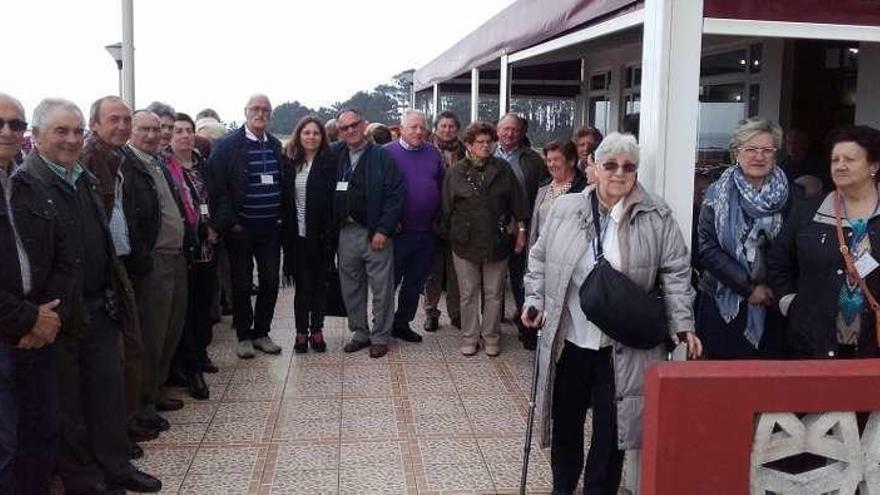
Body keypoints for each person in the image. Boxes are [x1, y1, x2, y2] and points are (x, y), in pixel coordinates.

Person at [521, 132, 701, 494]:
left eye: (629, 166)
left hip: (623, 345)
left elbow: (677, 272)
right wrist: (534, 300)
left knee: (611, 430)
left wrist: (683, 323)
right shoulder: (566, 209)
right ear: (593, 167)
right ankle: (563, 486)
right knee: (566, 423)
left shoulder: (656, 214)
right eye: (610, 165)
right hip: (569, 338)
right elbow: (539, 259)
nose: (620, 173)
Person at [23, 98, 161, 494]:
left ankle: (116, 466)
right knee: (70, 405)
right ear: (37, 137)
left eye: (75, 130)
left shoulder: (80, 176)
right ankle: (83, 479)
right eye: (59, 131)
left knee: (107, 392)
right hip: (60, 313)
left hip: (99, 304)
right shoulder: (28, 183)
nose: (69, 140)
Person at [0, 92, 70, 494]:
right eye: (1, 123)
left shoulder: (27, 183)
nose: (9, 132)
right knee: (4, 446)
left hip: (40, 328)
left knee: (38, 435)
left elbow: (63, 252)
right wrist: (28, 319)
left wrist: (46, 315)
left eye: (16, 124)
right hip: (12, 329)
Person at [769, 125, 880, 359]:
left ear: (873, 166)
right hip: (813, 342)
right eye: (835, 159)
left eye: (850, 159)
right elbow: (779, 261)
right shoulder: (807, 213)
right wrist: (791, 304)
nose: (840, 165)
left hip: (872, 344)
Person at [79, 96, 153, 445]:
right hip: (101, 270)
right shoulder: (87, 158)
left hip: (123, 261)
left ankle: (129, 418)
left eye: (126, 119)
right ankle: (116, 431)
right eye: (114, 119)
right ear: (94, 124)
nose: (122, 126)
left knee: (132, 346)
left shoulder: (119, 157)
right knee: (115, 355)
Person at [696, 118, 791, 360]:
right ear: (736, 153)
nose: (758, 156)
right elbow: (707, 249)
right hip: (723, 301)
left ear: (775, 154)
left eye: (766, 150)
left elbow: (795, 249)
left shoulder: (792, 196)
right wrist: (749, 288)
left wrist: (772, 288)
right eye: (750, 149)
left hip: (774, 303)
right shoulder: (715, 195)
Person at [126, 109, 193, 432]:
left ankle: (156, 390)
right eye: (146, 129)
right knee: (151, 334)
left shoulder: (157, 162)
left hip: (175, 257)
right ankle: (141, 405)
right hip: (153, 261)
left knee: (170, 329)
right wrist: (142, 258)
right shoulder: (129, 164)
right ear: (131, 130)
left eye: (158, 129)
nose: (154, 135)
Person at [210, 94, 285, 358]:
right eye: (255, 108)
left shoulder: (276, 146)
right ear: (245, 112)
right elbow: (218, 187)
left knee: (270, 282)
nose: (260, 113)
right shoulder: (227, 146)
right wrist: (232, 222)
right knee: (241, 284)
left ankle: (262, 332)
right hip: (240, 230)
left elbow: (282, 184)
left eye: (265, 109)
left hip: (270, 230)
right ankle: (244, 334)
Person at [443, 121, 528, 356]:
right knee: (469, 292)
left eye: (489, 141)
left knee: (494, 292)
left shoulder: (503, 169)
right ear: (468, 145)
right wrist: (449, 236)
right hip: (464, 242)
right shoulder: (455, 172)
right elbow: (446, 209)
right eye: (479, 142)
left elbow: (518, 204)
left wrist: (520, 232)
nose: (485, 145)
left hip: (497, 240)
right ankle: (470, 336)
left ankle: (491, 336)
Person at [333, 108, 405, 359]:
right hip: (345, 232)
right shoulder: (335, 154)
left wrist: (383, 230)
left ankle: (380, 336)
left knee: (382, 288)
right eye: (345, 128)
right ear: (339, 132)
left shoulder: (381, 156)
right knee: (350, 286)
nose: (350, 131)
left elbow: (396, 196)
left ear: (364, 124)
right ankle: (360, 332)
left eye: (354, 125)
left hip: (375, 233)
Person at [167, 112, 215, 399]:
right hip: (183, 248)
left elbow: (216, 196)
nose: (184, 135)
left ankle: (201, 352)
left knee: (203, 304)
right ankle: (190, 367)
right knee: (184, 309)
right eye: (178, 130)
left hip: (209, 246)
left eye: (188, 130)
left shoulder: (203, 165)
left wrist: (215, 225)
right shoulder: (166, 167)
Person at [384, 110, 444, 343]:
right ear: (401, 128)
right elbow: (378, 191)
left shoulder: (433, 153)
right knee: (389, 282)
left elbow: (440, 185)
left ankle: (402, 323)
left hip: (426, 232)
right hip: (396, 233)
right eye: (413, 127)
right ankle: (383, 325)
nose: (419, 131)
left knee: (415, 282)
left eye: (422, 127)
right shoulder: (386, 153)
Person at [281, 116, 337, 353]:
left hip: (322, 237)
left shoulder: (330, 164)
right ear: (299, 136)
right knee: (303, 288)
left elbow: (335, 202)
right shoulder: (290, 164)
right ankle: (301, 332)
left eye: (316, 133)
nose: (311, 137)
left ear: (322, 137)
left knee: (320, 286)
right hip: (298, 237)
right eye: (307, 133)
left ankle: (317, 330)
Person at [494, 112, 547, 350]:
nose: (509, 133)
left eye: (514, 129)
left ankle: (526, 327)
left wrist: (525, 225)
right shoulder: (485, 152)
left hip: (521, 228)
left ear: (521, 132)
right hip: (491, 228)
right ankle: (491, 329)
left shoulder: (533, 160)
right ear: (497, 131)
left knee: (520, 279)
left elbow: (541, 193)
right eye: (505, 129)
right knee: (492, 283)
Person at [424, 111, 465, 332]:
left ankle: (456, 313)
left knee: (456, 270)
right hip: (431, 216)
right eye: (443, 126)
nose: (447, 130)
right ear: (436, 128)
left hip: (458, 218)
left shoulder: (465, 151)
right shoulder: (426, 150)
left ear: (457, 129)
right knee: (433, 271)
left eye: (451, 126)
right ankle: (431, 312)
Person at [528, 139, 587, 250]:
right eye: (549, 160)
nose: (551, 164)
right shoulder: (543, 187)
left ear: (571, 161)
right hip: (541, 255)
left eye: (556, 159)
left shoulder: (583, 190)